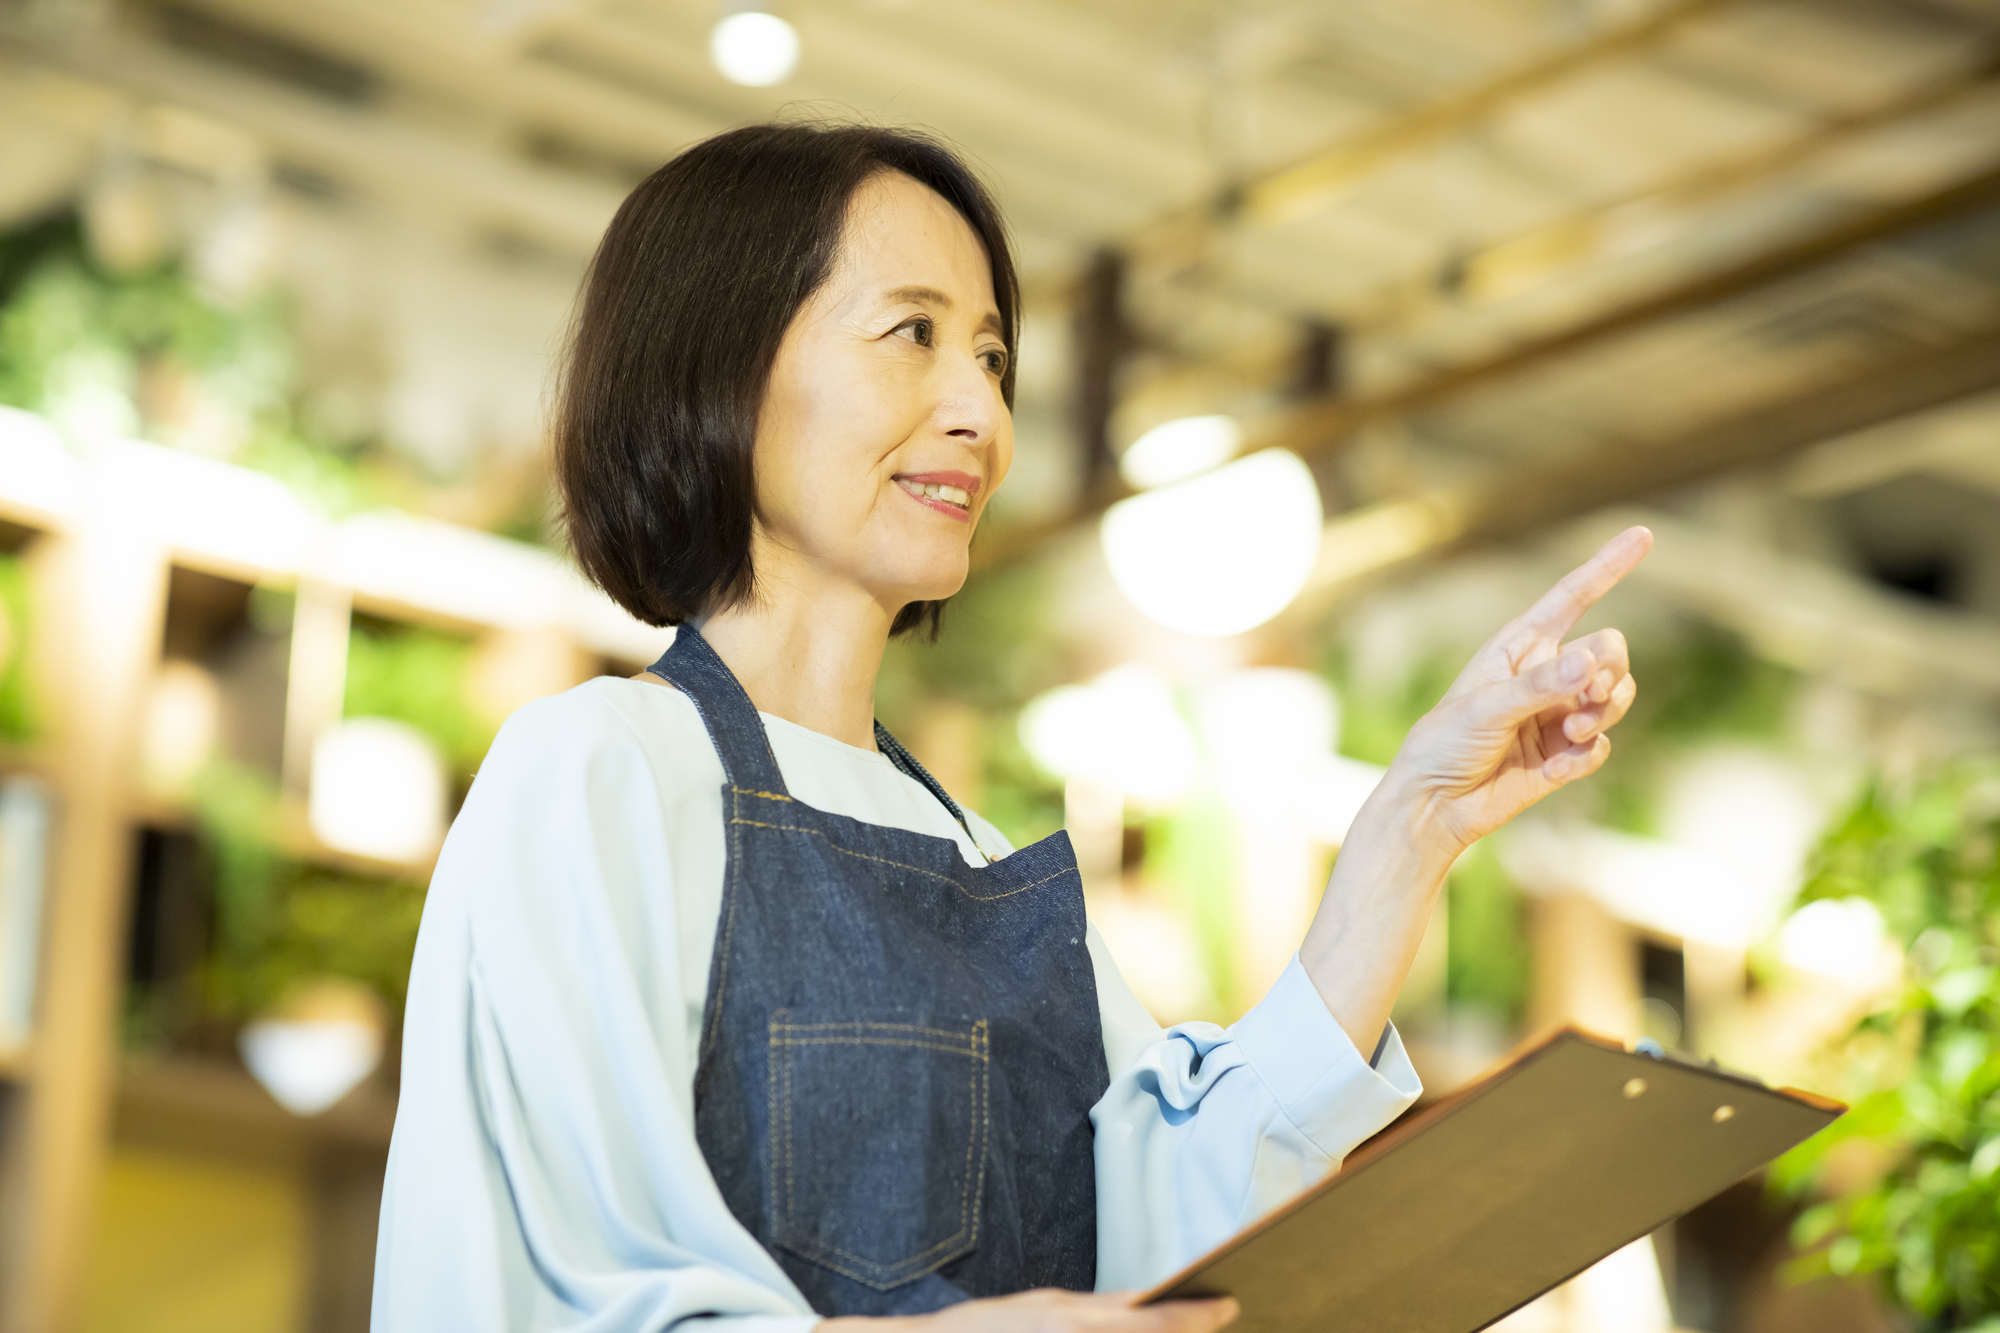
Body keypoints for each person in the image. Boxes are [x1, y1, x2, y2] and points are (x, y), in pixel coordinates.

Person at [372, 122, 1650, 1333]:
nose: (980, 415)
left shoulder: (979, 857)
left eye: (987, 355)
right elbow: (554, 1285)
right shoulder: (602, 774)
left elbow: (1177, 1228)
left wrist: (1411, 822)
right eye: (910, 334)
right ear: (723, 366)